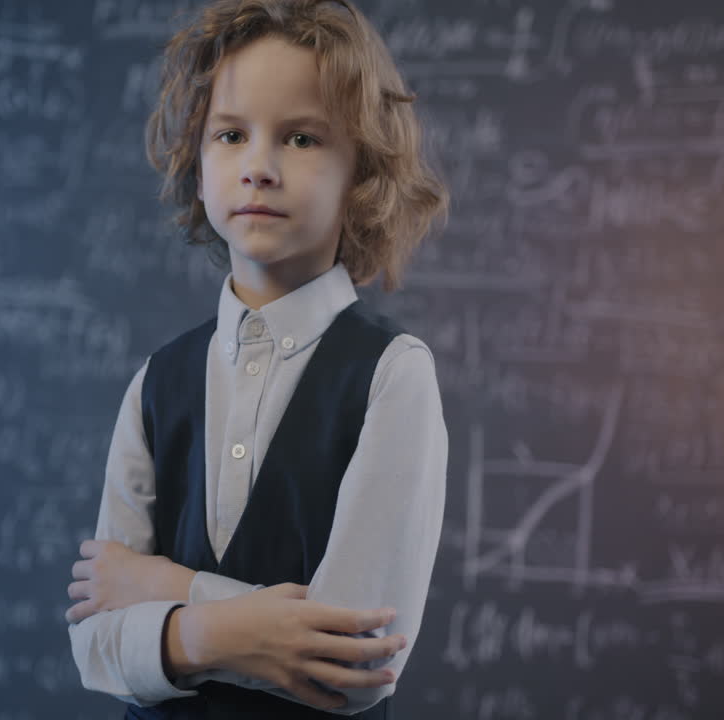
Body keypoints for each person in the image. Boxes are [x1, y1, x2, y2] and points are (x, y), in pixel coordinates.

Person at [66, 1, 448, 717]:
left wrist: (166, 593)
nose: (259, 167)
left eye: (301, 138)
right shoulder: (156, 384)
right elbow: (95, 644)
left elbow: (352, 665)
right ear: (199, 160)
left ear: (360, 171)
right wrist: (250, 631)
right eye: (231, 134)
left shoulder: (392, 376)